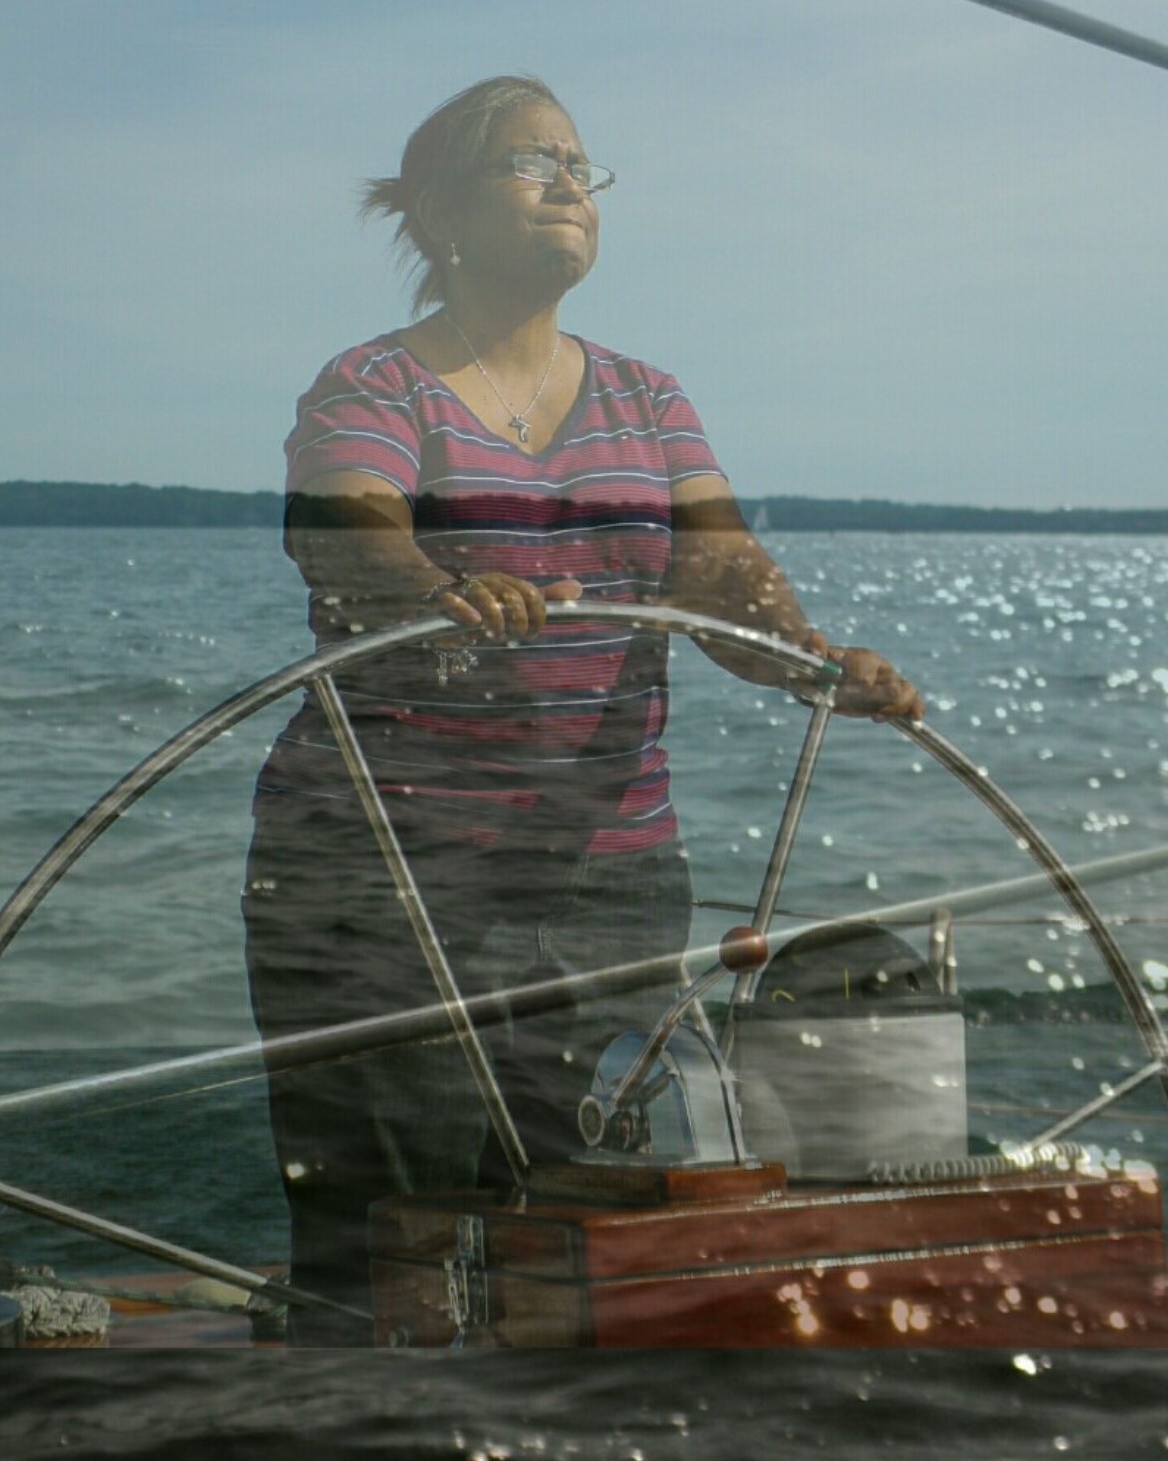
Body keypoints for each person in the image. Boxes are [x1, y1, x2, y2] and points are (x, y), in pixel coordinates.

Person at [243, 75, 922, 1343]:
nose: (568, 184)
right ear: (444, 210)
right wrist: (440, 583)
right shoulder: (375, 386)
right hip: (381, 886)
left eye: (580, 165)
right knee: (388, 1232)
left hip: (607, 882)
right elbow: (341, 533)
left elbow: (719, 574)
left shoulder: (648, 399)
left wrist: (821, 662)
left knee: (583, 1221)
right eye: (528, 162)